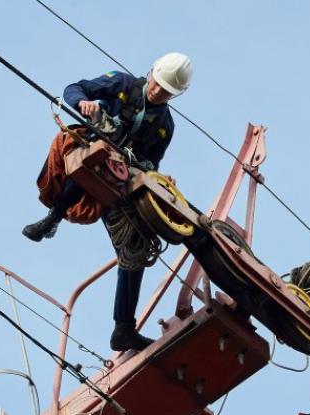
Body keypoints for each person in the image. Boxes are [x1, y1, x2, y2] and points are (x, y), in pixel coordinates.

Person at [22, 52, 193, 352]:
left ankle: (123, 328)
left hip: (122, 179)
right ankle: (53, 218)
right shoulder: (122, 85)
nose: (157, 90)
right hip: (93, 152)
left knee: (137, 248)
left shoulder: (165, 125)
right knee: (94, 158)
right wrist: (83, 104)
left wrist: (161, 178)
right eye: (157, 83)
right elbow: (75, 88)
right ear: (151, 71)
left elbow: (151, 162)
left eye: (166, 90)